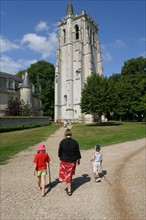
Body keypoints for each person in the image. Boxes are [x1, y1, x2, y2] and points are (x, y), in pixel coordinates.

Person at [58, 128, 81, 196]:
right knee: (69, 173)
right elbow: (77, 152)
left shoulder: (62, 142)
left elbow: (60, 152)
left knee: (67, 174)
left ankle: (69, 190)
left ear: (65, 134)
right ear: (71, 134)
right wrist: (78, 159)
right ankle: (69, 183)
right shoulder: (75, 142)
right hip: (72, 160)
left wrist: (60, 156)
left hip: (64, 160)